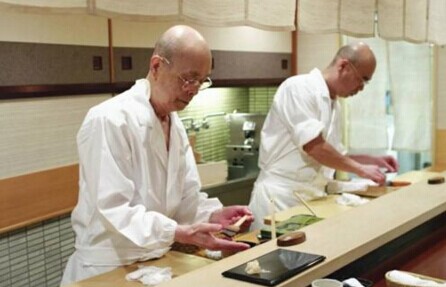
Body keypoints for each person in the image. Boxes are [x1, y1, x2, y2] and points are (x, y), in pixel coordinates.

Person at [61, 25, 253, 285]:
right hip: (106, 267)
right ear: (156, 66)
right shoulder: (109, 119)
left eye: (202, 80)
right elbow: (114, 208)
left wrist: (212, 216)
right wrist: (177, 232)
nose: (194, 89)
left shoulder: (175, 123)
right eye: (188, 78)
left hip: (158, 263)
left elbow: (186, 198)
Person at [248, 42, 398, 230]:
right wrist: (361, 169)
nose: (362, 88)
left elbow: (334, 154)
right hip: (279, 198)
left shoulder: (334, 104)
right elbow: (315, 147)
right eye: (362, 79)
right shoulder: (298, 88)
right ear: (343, 66)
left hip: (311, 198)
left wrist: (372, 160)